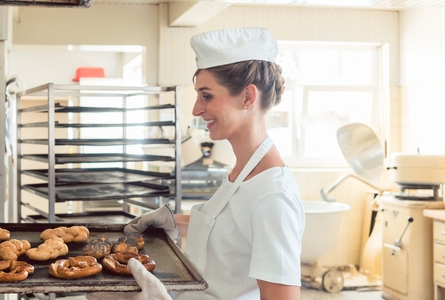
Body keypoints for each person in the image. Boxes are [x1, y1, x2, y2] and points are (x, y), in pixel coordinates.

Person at [87, 27, 304, 300]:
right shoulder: (243, 173)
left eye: (207, 96)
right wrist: (172, 224)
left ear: (248, 97)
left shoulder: (273, 197)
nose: (196, 109)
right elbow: (232, 234)